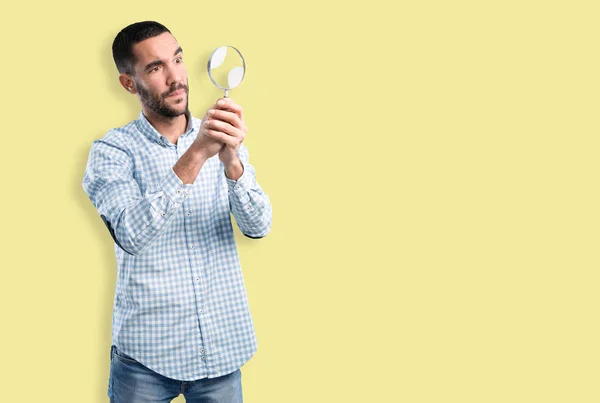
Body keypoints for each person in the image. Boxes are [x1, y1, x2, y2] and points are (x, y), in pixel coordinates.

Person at [82, 21, 272, 402]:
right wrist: (197, 155)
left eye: (178, 60)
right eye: (155, 68)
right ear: (129, 83)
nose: (175, 78)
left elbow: (259, 226)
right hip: (146, 363)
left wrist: (232, 163)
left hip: (221, 353)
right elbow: (131, 234)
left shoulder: (221, 135)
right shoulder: (112, 152)